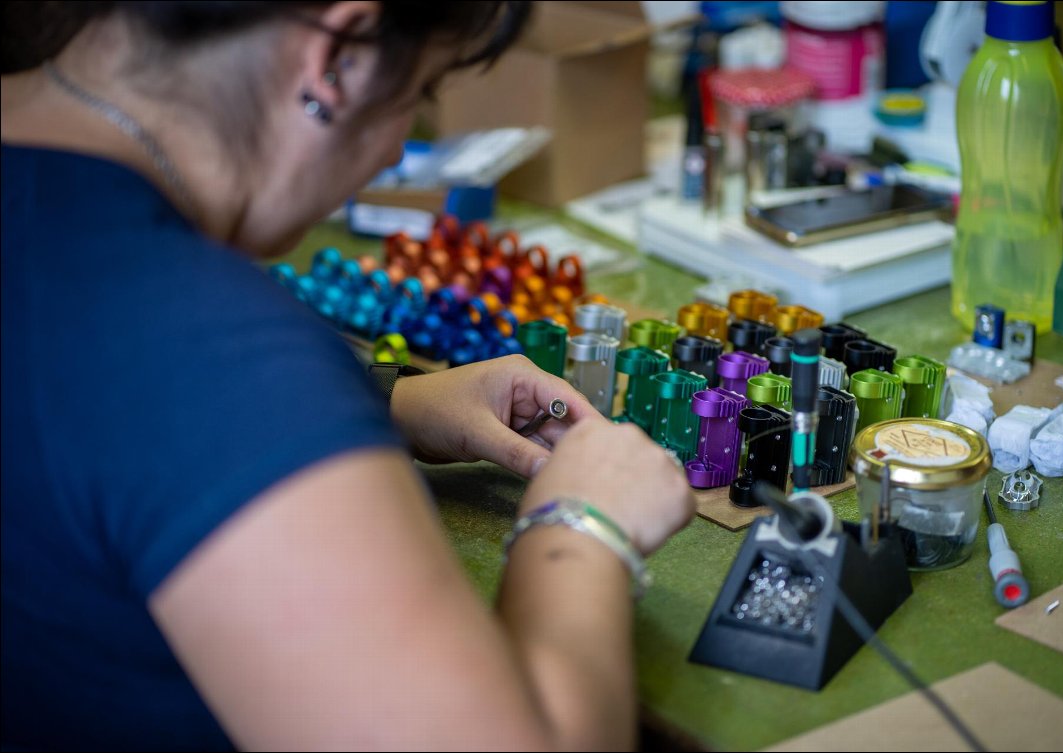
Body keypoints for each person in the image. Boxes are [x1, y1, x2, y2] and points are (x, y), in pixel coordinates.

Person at [0, 2, 697, 750]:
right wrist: (582, 527)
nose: (400, 143)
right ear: (337, 60)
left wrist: (379, 403)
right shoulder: (220, 355)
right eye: (421, 96)